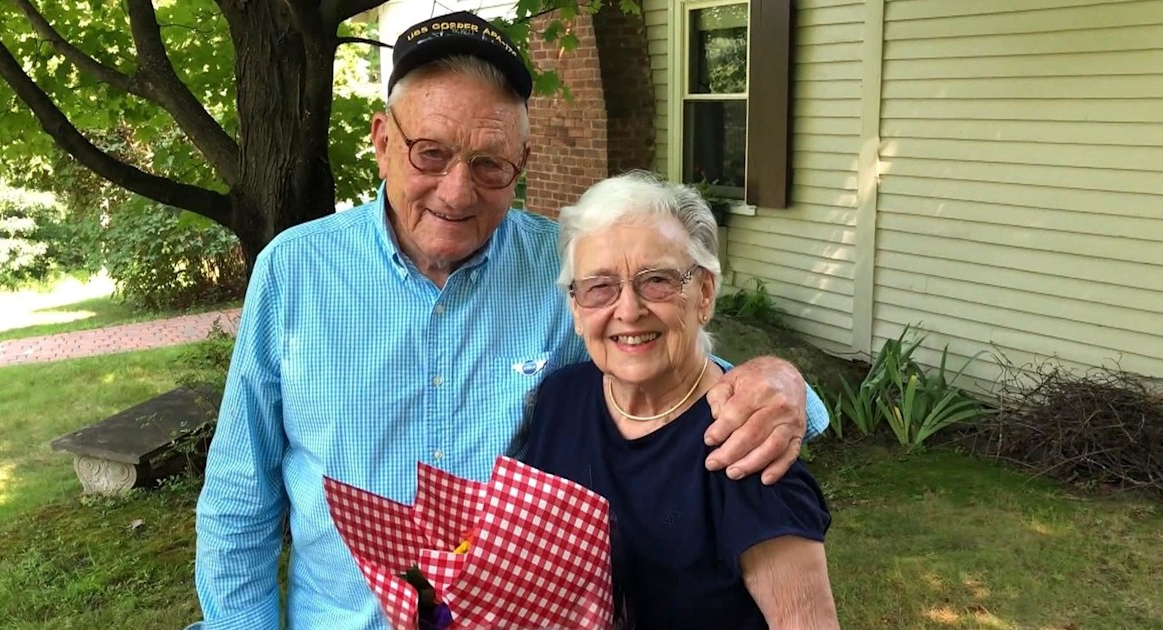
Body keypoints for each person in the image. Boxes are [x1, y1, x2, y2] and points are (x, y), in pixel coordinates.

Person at [193, 11, 829, 630]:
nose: (457, 191)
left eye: (490, 164)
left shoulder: (568, 270)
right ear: (383, 141)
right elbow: (240, 494)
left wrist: (778, 382)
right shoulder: (295, 271)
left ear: (522, 161)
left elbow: (656, 361)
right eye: (431, 154)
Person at [520, 172, 839, 629]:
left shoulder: (745, 441)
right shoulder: (560, 401)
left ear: (704, 292)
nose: (629, 310)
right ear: (575, 308)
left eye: (657, 281)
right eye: (599, 287)